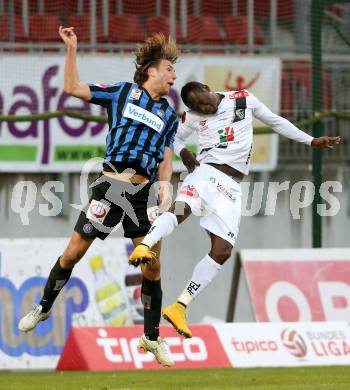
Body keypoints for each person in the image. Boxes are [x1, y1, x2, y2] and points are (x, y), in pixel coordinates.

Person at [18, 27, 181, 367]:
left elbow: (166, 155)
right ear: (151, 70)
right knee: (73, 252)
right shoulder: (122, 93)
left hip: (142, 193)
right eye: (169, 70)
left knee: (153, 265)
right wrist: (72, 49)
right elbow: (72, 88)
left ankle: (151, 338)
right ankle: (44, 306)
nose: (174, 76)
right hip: (110, 187)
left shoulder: (168, 114)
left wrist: (165, 186)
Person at [128, 81, 341, 338]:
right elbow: (173, 137)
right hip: (206, 172)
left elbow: (274, 121)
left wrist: (311, 141)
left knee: (222, 251)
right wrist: (184, 152)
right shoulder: (193, 116)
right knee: (180, 210)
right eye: (197, 107)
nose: (204, 108)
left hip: (231, 186)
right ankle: (144, 245)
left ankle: (180, 305)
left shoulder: (242, 99)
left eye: (204, 101)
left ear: (208, 88)